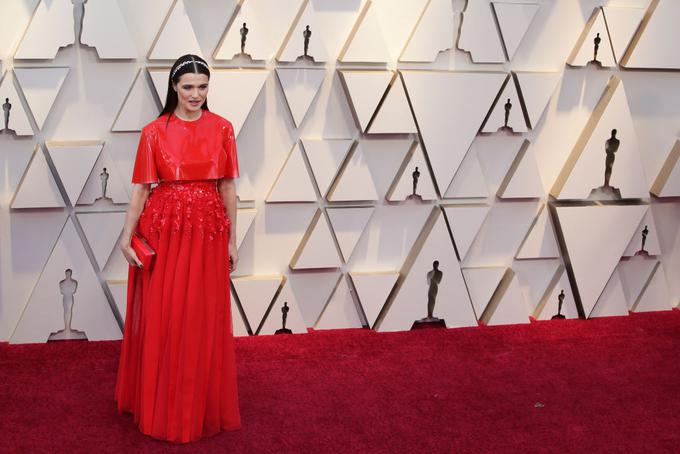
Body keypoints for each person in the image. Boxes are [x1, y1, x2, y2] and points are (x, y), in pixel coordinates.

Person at [114, 54, 241, 443]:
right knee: (166, 314)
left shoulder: (223, 128)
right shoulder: (154, 131)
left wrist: (233, 238)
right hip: (164, 229)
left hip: (207, 231)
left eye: (203, 87)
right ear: (173, 87)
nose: (196, 94)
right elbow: (140, 190)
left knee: (200, 315)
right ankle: (160, 402)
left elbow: (229, 188)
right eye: (188, 86)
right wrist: (125, 236)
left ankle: (195, 404)